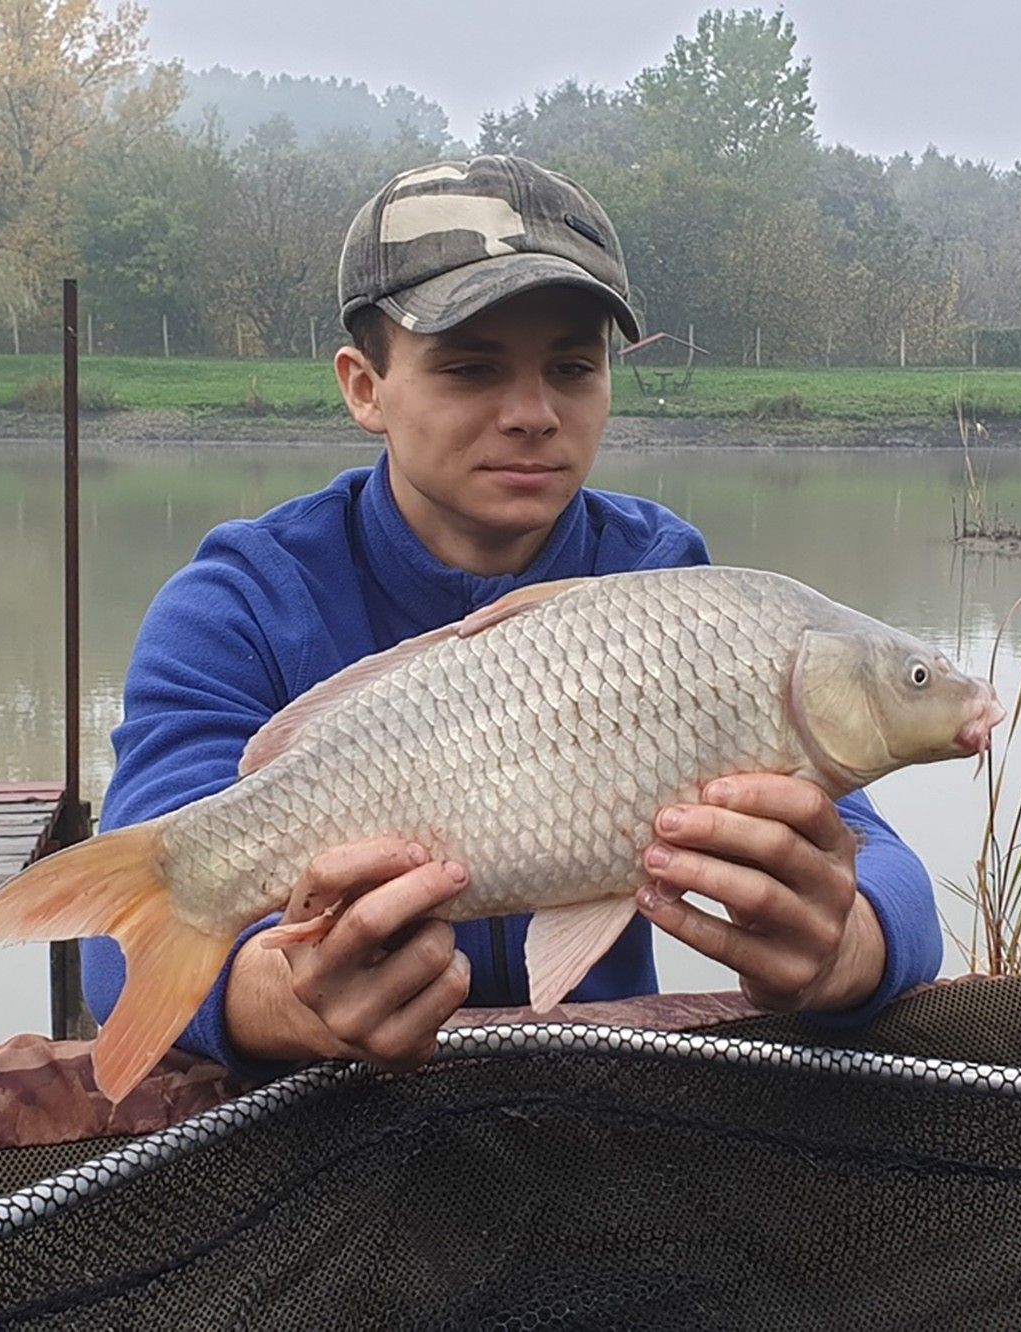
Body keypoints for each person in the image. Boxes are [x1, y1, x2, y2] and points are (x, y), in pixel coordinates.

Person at [83, 155, 941, 1080]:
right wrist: (280, 996)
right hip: (327, 1124)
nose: (533, 414)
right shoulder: (243, 600)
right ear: (364, 386)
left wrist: (842, 944)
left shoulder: (665, 585)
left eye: (572, 367)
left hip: (596, 1118)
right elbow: (121, 946)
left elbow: (887, 877)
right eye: (471, 368)